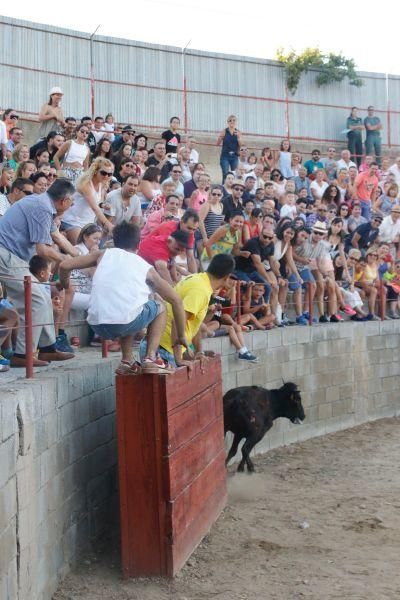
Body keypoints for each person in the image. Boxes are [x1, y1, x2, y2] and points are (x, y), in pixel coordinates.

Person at [59, 221, 189, 374]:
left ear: (114, 242)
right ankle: (151, 358)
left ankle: (127, 361)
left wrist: (64, 284)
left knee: (131, 307)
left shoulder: (102, 254)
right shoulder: (145, 267)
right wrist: (180, 335)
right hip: (123, 322)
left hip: (96, 324)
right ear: (138, 244)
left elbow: (64, 266)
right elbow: (176, 300)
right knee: (159, 306)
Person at [0, 178, 76, 367]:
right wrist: (65, 259)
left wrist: (80, 256)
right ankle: (22, 355)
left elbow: (57, 236)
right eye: (71, 201)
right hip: (7, 256)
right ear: (64, 201)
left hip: (15, 257)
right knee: (36, 300)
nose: (72, 205)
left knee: (42, 294)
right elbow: (42, 250)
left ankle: (47, 348)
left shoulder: (43, 204)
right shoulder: (42, 207)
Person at [156, 253, 236, 370]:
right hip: (164, 350)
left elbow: (195, 324)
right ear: (227, 277)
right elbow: (177, 320)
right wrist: (179, 359)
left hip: (165, 347)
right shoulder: (201, 290)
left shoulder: (199, 281)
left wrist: (199, 352)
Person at [61, 157, 114, 244]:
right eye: (103, 173)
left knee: (97, 248)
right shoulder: (86, 184)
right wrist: (108, 224)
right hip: (73, 221)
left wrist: (103, 205)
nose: (106, 176)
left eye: (109, 174)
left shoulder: (102, 185)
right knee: (81, 251)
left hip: (88, 223)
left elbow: (97, 203)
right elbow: (94, 207)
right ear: (96, 171)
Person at [139, 209, 199, 277]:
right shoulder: (168, 228)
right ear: (182, 222)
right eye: (189, 228)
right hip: (146, 259)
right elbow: (168, 261)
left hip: (162, 260)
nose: (191, 232)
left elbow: (190, 257)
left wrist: (195, 278)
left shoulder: (190, 233)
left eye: (194, 229)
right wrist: (187, 274)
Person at [217, 115, 242, 181]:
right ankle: (223, 189)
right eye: (230, 120)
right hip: (225, 156)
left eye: (234, 120)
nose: (232, 122)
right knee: (225, 173)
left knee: (235, 174)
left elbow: (241, 145)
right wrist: (220, 137)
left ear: (236, 122)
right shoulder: (224, 131)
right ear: (227, 122)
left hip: (234, 156)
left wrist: (239, 138)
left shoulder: (238, 132)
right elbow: (217, 144)